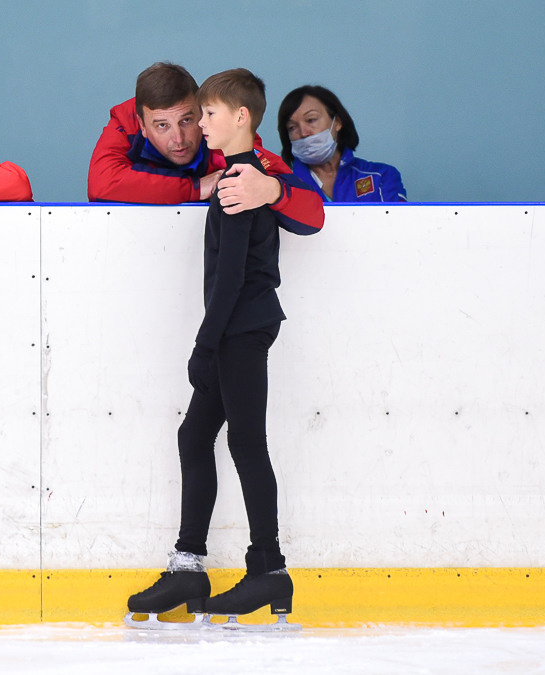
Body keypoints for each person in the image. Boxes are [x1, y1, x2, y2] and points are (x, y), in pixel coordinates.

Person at [126, 68, 314, 629]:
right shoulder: (242, 172)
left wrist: (204, 346)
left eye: (207, 114)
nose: (199, 124)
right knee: (196, 435)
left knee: (247, 443)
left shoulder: (242, 179)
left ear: (240, 118)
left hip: (240, 328)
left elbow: (231, 276)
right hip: (239, 327)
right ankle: (190, 566)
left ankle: (269, 569)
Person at [87, 62, 325, 236]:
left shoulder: (223, 133)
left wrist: (273, 190)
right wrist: (195, 188)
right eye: (162, 126)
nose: (178, 138)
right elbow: (103, 184)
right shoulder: (126, 122)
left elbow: (314, 216)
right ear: (142, 124)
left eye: (187, 120)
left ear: (202, 110)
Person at [278, 85, 406, 202]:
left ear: (337, 123)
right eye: (292, 127)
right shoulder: (283, 188)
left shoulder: (381, 176)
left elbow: (397, 225)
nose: (303, 132)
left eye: (311, 120)